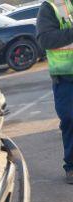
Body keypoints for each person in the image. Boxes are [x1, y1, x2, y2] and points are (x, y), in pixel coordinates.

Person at [37, 0, 73, 183]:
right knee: (70, 120)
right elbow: (45, 40)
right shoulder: (52, 7)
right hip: (66, 77)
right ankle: (72, 166)